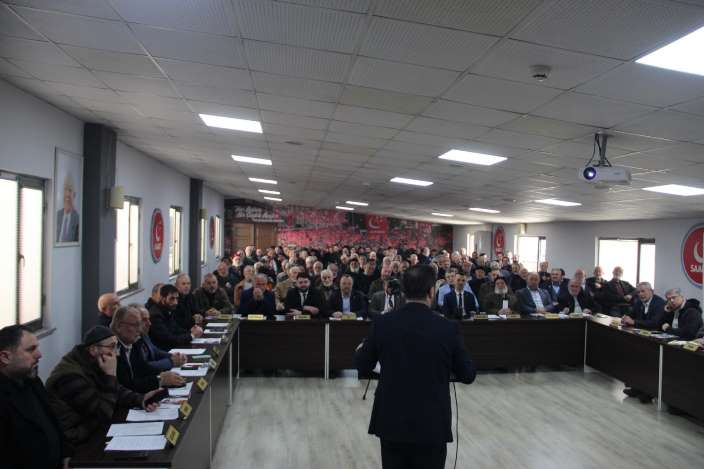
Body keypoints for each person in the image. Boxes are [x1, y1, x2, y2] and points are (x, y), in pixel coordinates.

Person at [354, 264, 476, 469]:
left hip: (392, 420)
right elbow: (468, 375)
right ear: (431, 292)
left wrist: (360, 350)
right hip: (432, 422)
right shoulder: (448, 328)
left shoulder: (383, 324)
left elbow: (361, 367)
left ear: (404, 292)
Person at [45, 326, 160, 449]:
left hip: (91, 430)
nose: (116, 353)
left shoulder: (91, 361)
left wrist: (141, 399)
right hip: (74, 442)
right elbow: (102, 414)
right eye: (111, 347)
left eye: (116, 347)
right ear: (93, 349)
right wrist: (111, 375)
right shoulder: (70, 377)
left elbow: (116, 390)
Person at [0, 325, 70, 469]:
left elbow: (53, 421)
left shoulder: (32, 381)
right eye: (30, 349)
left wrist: (65, 453)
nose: (39, 355)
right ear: (5, 357)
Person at [112, 306, 185, 393]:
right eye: (135, 325)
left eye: (140, 324)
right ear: (119, 326)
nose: (139, 329)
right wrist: (160, 379)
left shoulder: (133, 342)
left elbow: (144, 369)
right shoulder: (111, 348)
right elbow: (127, 385)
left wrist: (164, 376)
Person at [149, 284, 203, 349]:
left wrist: (191, 331)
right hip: (165, 350)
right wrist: (191, 335)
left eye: (177, 298)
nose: (175, 302)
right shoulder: (156, 315)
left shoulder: (168, 310)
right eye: (172, 299)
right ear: (162, 298)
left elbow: (176, 329)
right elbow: (168, 339)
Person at [134, 305, 186, 372]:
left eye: (148, 319)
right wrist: (171, 361)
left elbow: (154, 351)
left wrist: (173, 356)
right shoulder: (132, 340)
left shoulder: (144, 334)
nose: (149, 323)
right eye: (144, 320)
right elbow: (144, 367)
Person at [56, 173, 80, 243]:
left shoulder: (77, 219)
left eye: (70, 190)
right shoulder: (57, 215)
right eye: (65, 189)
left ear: (74, 194)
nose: (67, 194)